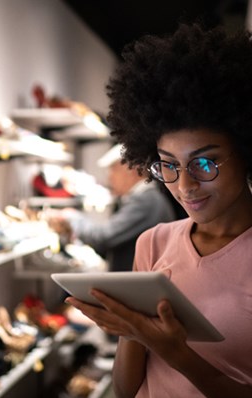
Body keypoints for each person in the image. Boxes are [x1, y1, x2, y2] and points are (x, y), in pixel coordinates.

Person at [65, 23, 252, 398]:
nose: (184, 185)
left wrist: (174, 351)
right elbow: (126, 389)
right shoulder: (154, 243)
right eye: (168, 164)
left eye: (204, 164)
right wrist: (134, 331)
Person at [47, 143, 176, 271]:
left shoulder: (146, 201)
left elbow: (103, 237)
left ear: (131, 169)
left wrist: (71, 217)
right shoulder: (147, 198)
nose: (109, 177)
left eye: (113, 170)